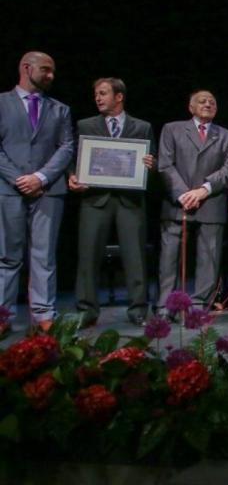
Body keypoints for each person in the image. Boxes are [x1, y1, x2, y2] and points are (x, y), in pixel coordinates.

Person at [69, 78, 156, 327]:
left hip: (130, 200)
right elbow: (73, 158)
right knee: (88, 255)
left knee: (135, 255)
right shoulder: (85, 125)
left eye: (103, 93)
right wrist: (72, 176)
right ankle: (86, 310)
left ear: (119, 97)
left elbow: (152, 162)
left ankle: (138, 309)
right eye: (96, 94)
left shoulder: (142, 127)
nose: (98, 98)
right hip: (95, 199)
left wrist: (151, 164)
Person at [0, 51, 74, 334]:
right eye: (45, 69)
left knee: (44, 255)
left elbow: (66, 146)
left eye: (52, 71)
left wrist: (40, 177)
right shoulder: (2, 103)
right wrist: (19, 179)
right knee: (7, 256)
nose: (50, 76)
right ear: (26, 67)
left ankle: (44, 313)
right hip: (8, 189)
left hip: (48, 190)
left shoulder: (60, 109)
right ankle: (3, 315)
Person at [157, 90, 228, 314]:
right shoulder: (172, 129)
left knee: (209, 258)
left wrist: (203, 190)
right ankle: (166, 306)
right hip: (177, 204)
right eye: (202, 101)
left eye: (212, 102)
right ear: (191, 107)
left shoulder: (227, 136)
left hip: (210, 202)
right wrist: (184, 193)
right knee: (169, 258)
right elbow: (165, 165)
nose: (208, 104)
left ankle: (200, 305)